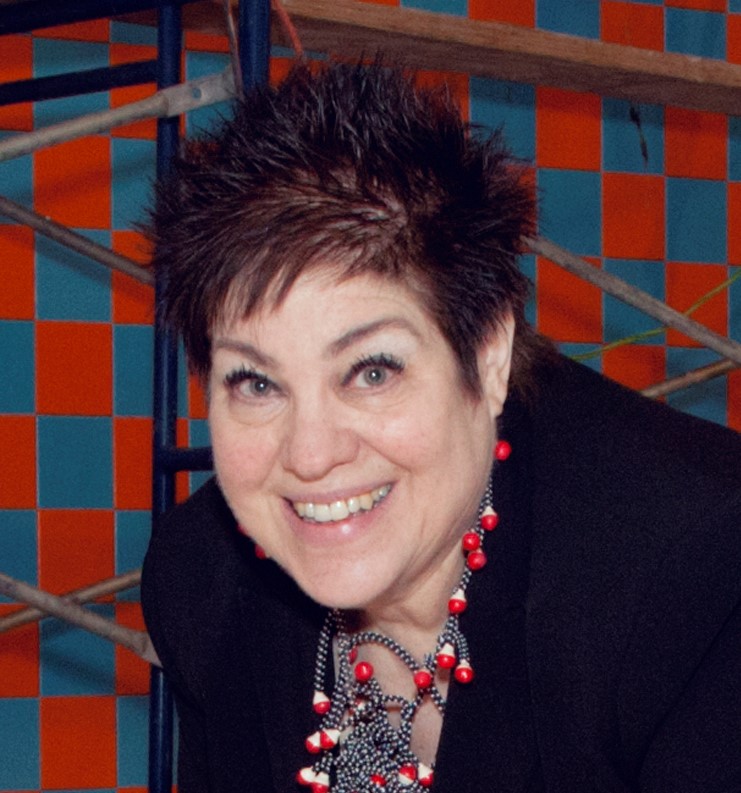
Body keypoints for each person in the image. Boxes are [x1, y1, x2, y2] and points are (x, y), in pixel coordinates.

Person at [141, 62, 741, 793]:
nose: (311, 454)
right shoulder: (202, 583)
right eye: (257, 383)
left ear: (487, 354)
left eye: (372, 371)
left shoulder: (696, 578)